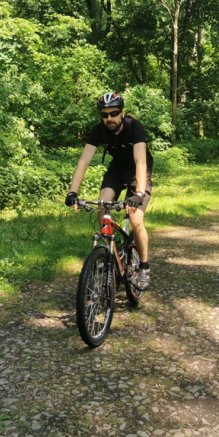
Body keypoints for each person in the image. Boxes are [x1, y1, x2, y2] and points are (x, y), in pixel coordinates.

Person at [65, 93, 154, 290]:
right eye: (105, 115)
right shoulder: (99, 131)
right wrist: (73, 192)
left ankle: (144, 267)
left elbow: (140, 161)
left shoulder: (135, 128)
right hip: (116, 170)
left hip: (138, 173)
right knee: (103, 206)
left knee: (136, 219)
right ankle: (108, 255)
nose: (109, 118)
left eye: (114, 113)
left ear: (122, 113)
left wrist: (138, 193)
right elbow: (84, 161)